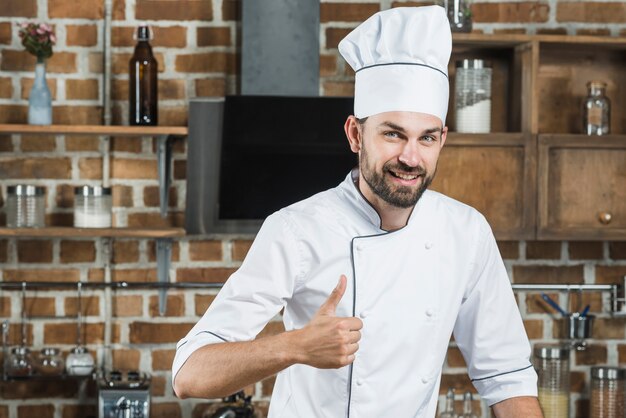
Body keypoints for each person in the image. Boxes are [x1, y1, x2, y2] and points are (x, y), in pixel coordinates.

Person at [173, 6, 543, 417]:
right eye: (392, 133)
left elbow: (507, 378)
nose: (410, 156)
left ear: (443, 140)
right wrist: (293, 347)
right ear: (355, 134)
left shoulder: (466, 232)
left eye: (427, 138)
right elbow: (189, 374)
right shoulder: (296, 230)